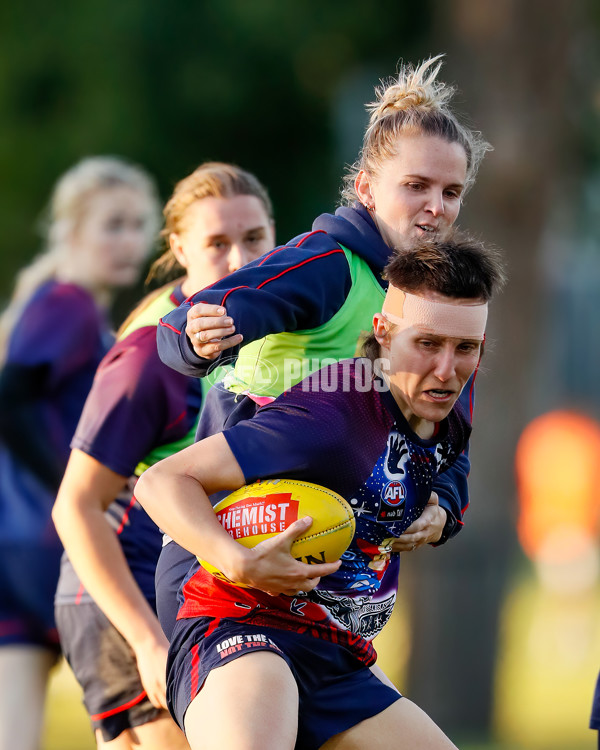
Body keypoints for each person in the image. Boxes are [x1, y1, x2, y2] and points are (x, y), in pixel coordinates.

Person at [153, 54, 492, 633]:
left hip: (337, 574)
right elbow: (187, 322)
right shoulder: (328, 264)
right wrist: (198, 336)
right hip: (232, 555)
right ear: (365, 187)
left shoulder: (441, 306)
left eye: (452, 191)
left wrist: (445, 507)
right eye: (415, 186)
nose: (436, 207)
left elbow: (450, 433)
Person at [134, 235, 505, 750]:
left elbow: (450, 463)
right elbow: (162, 481)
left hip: (335, 649)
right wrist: (237, 561)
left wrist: (441, 506)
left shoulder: (448, 404)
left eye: (465, 349)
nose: (447, 369)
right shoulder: (332, 413)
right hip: (241, 623)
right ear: (384, 332)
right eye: (427, 343)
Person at [51, 162, 276, 750]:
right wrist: (147, 640)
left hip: (192, 586)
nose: (239, 260)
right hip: (118, 595)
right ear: (179, 248)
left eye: (254, 238)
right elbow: (75, 507)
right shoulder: (149, 354)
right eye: (216, 244)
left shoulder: (278, 332)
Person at [0, 156, 159, 750]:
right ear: (71, 231)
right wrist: (78, 489)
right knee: (130, 714)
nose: (130, 241)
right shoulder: (66, 306)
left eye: (139, 225)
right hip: (45, 546)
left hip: (16, 545)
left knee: (14, 727)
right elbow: (12, 400)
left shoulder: (64, 307)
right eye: (112, 224)